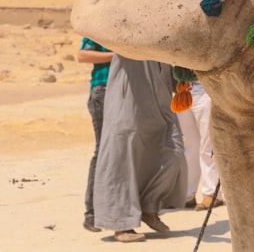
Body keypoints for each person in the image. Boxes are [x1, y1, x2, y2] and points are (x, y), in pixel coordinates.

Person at [92, 55, 188, 243]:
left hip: (161, 103)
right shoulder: (126, 29)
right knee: (123, 160)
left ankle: (149, 207)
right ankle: (121, 224)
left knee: (174, 154)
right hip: (129, 100)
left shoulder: (163, 31)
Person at [77, 38, 113, 233]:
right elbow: (83, 55)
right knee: (102, 151)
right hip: (104, 90)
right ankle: (91, 213)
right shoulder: (98, 28)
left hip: (124, 92)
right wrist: (116, 58)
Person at [176, 80, 225, 210]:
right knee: (188, 145)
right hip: (183, 92)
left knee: (207, 146)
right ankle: (187, 194)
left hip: (205, 91)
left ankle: (212, 193)